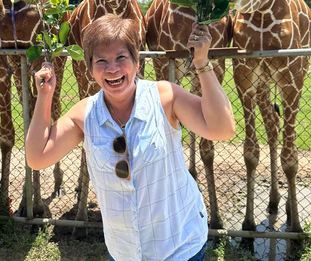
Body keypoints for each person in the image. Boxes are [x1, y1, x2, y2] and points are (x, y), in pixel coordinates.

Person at [25, 13, 235, 261]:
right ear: (91, 70)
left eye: (121, 57)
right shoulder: (86, 115)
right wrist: (45, 95)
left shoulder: (165, 98)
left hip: (180, 245)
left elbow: (223, 128)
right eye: (101, 60)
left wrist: (202, 63)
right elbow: (36, 158)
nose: (112, 68)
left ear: (137, 63)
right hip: (125, 251)